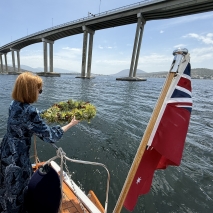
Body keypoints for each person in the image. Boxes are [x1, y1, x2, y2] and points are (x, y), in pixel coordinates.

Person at [0, 72, 79, 213]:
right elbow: (50, 136)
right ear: (30, 90)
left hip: (6, 150)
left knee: (6, 187)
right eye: (39, 90)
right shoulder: (30, 111)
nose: (40, 93)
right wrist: (71, 124)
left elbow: (29, 118)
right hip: (17, 157)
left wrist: (50, 112)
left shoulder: (15, 104)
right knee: (16, 191)